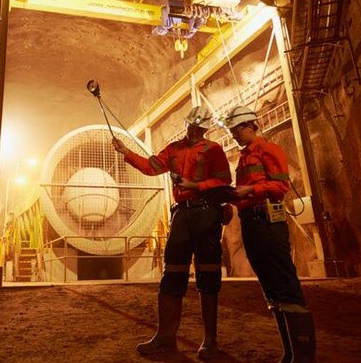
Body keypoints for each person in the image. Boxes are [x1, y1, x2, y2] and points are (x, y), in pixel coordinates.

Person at [112, 105, 232, 359]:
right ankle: (165, 338)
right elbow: (151, 167)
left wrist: (195, 185)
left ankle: (210, 342)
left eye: (199, 128)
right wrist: (126, 152)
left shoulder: (214, 150)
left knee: (208, 275)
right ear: (187, 124)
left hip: (206, 213)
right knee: (172, 273)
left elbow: (223, 181)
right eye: (191, 126)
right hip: (182, 215)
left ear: (205, 128)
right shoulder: (174, 149)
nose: (194, 131)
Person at [223, 105, 316, 363]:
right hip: (251, 223)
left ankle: (304, 357)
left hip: (268, 223)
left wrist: (247, 192)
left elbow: (279, 186)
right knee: (271, 290)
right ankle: (289, 352)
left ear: (251, 125)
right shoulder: (243, 158)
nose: (233, 135)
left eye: (236, 129)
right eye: (231, 131)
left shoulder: (269, 150)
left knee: (286, 285)